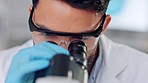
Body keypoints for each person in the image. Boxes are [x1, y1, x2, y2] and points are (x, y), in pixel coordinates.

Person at [0, 0, 148, 83]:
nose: (62, 52)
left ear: (103, 26)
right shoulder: (3, 66)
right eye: (47, 33)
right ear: (32, 15)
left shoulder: (142, 71)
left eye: (80, 39)